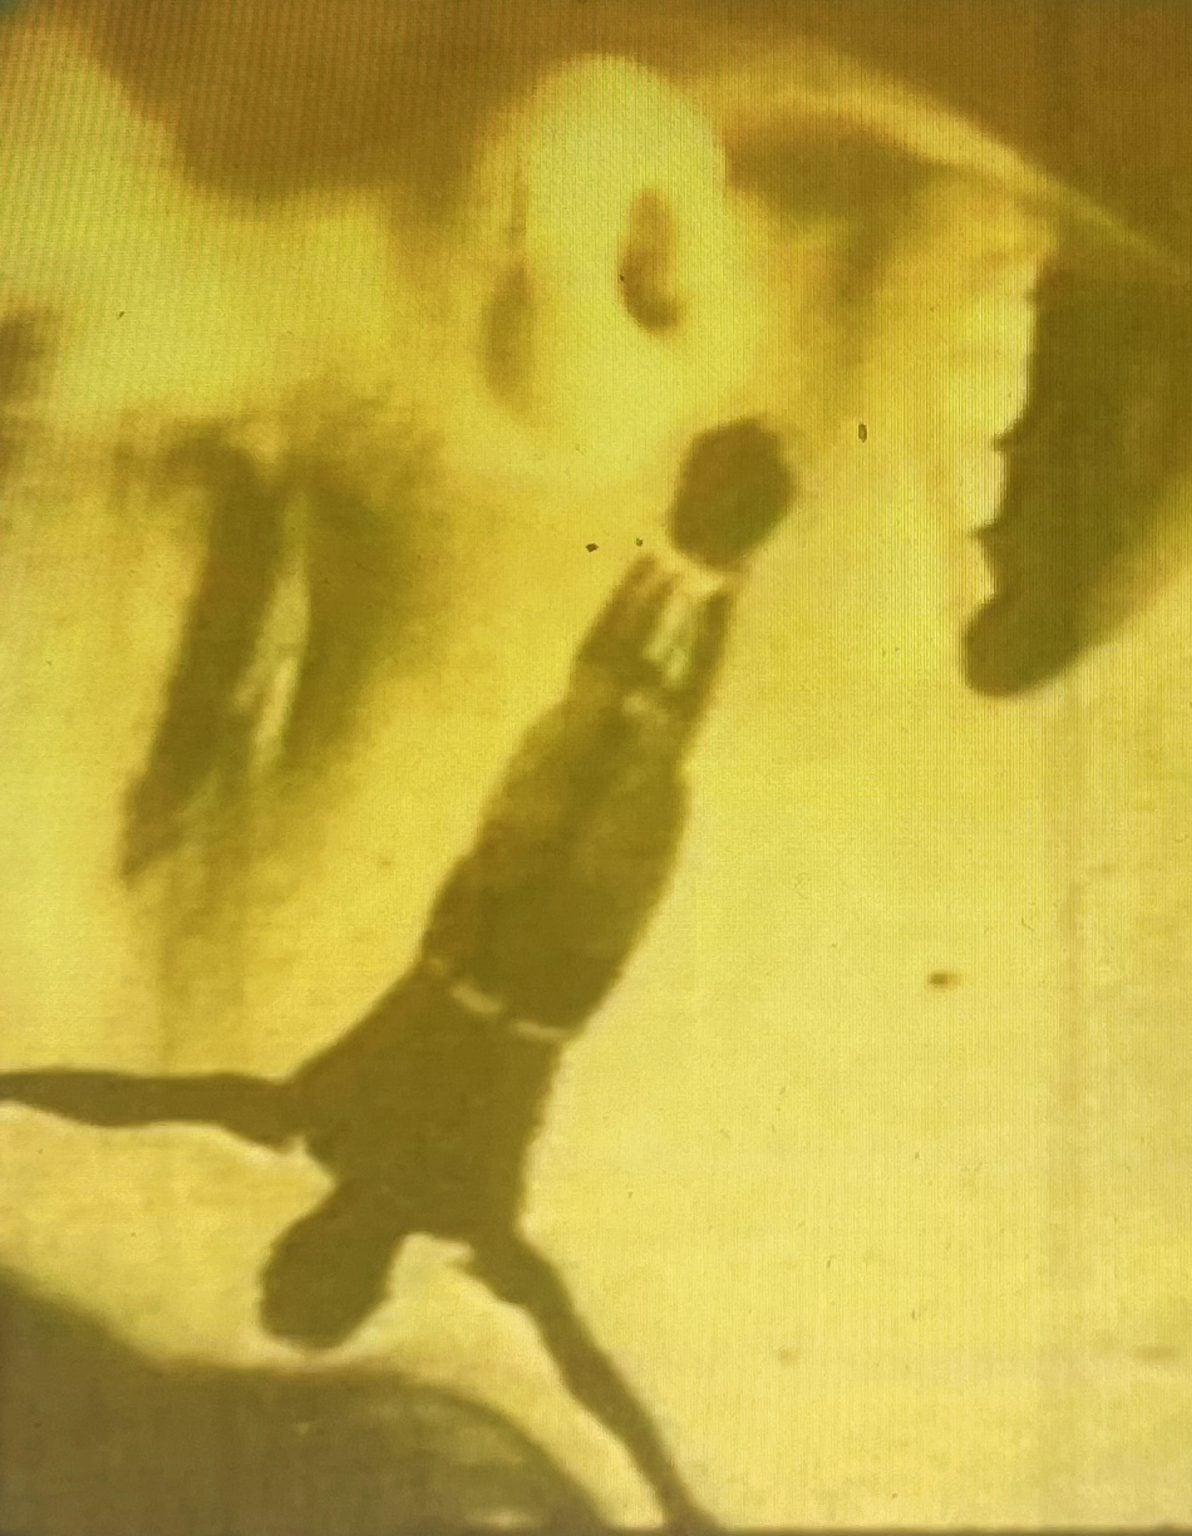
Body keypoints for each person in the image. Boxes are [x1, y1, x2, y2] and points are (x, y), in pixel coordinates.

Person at [0, 418, 795, 1534]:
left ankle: (676, 556)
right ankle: (714, 578)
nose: (309, 1248)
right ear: (356, 1276)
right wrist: (674, 1502)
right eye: (315, 1274)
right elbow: (582, 1369)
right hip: (561, 962)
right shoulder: (466, 1216)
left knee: (588, 716)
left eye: (292, 1265)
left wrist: (5, 1089)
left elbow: (129, 1102)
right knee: (645, 744)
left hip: (485, 917)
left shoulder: (312, 1122)